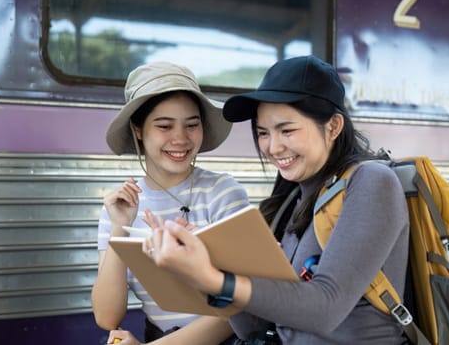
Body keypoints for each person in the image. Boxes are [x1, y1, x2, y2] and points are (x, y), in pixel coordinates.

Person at [140, 55, 411, 344]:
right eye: (263, 133)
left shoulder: (371, 181)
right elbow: (250, 326)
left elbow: (326, 309)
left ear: (333, 127)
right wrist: (216, 257)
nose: (273, 146)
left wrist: (214, 279)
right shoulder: (288, 201)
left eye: (287, 130)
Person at [91, 61, 250, 344]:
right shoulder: (120, 207)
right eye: (164, 126)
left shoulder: (223, 192)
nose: (180, 139)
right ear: (138, 130)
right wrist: (119, 229)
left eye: (192, 125)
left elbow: (235, 308)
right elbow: (106, 317)